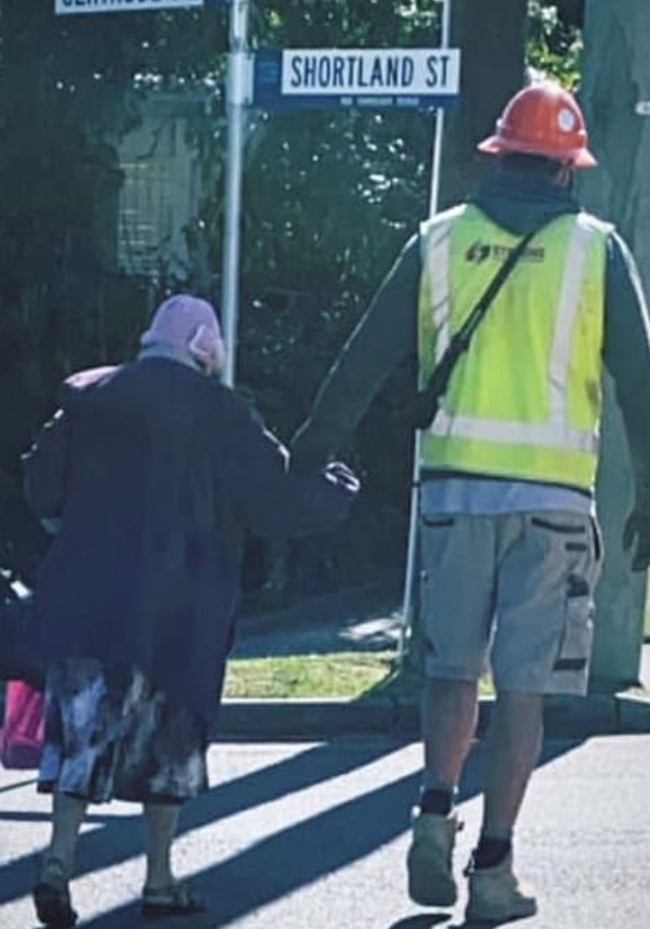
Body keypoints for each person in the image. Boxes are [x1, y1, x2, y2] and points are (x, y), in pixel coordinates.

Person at [290, 80, 650, 922]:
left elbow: (362, 360)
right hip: (555, 504)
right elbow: (641, 385)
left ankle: (432, 804)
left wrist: (305, 456)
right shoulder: (597, 250)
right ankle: (492, 871)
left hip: (454, 491)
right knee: (523, 689)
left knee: (452, 668)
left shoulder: (440, 240)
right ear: (567, 170)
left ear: (496, 155)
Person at [21, 294, 359, 928]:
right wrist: (334, 490)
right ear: (204, 343)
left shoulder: (90, 399)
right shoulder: (219, 411)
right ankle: (158, 877)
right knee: (170, 744)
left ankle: (58, 863)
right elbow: (273, 494)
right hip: (182, 611)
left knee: (80, 739)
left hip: (89, 602)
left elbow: (41, 480)